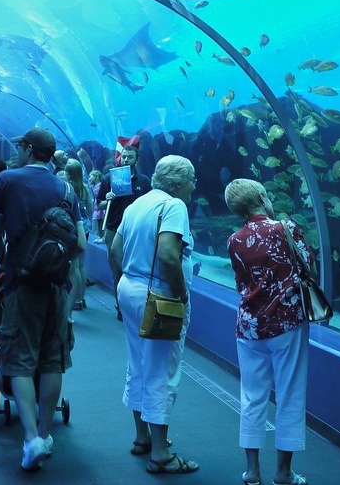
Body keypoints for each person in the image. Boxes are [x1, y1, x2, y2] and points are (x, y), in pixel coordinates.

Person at [0, 127, 87, 471]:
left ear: (29, 149)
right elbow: (81, 243)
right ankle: (45, 433)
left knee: (19, 357)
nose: (17, 151)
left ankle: (29, 439)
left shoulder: (7, 181)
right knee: (52, 359)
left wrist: (7, 262)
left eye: (20, 146)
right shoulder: (66, 188)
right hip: (57, 285)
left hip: (21, 283)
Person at [109, 155, 199, 475]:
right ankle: (161, 454)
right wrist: (181, 294)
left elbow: (114, 251)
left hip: (129, 289)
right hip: (160, 296)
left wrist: (124, 286)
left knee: (138, 363)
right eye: (191, 180)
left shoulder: (136, 204)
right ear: (176, 184)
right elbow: (168, 256)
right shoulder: (174, 207)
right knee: (162, 369)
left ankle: (142, 437)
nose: (194, 186)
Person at [224, 178, 312, 485]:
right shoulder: (286, 228)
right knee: (289, 394)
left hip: (249, 326)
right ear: (262, 197)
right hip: (287, 323)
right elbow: (308, 264)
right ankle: (284, 473)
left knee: (251, 395)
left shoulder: (233, 240)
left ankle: (252, 472)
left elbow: (240, 281)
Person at [98, 144, 152, 319]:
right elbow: (98, 204)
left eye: (130, 157)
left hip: (137, 231)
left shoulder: (144, 181)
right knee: (117, 270)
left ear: (137, 159)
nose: (126, 160)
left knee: (137, 268)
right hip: (114, 229)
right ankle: (121, 306)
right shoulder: (109, 179)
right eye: (124, 157)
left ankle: (137, 307)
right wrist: (107, 200)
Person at [63, 158, 94, 312]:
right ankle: (82, 298)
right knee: (81, 265)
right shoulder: (85, 188)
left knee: (72, 267)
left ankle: (74, 299)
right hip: (85, 229)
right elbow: (90, 209)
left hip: (70, 228)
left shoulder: (66, 187)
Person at [88, 169, 105, 243]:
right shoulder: (94, 187)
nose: (89, 178)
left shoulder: (99, 186)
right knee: (99, 222)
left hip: (100, 206)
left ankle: (103, 236)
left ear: (96, 177)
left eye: (90, 176)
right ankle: (100, 236)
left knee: (101, 222)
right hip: (97, 206)